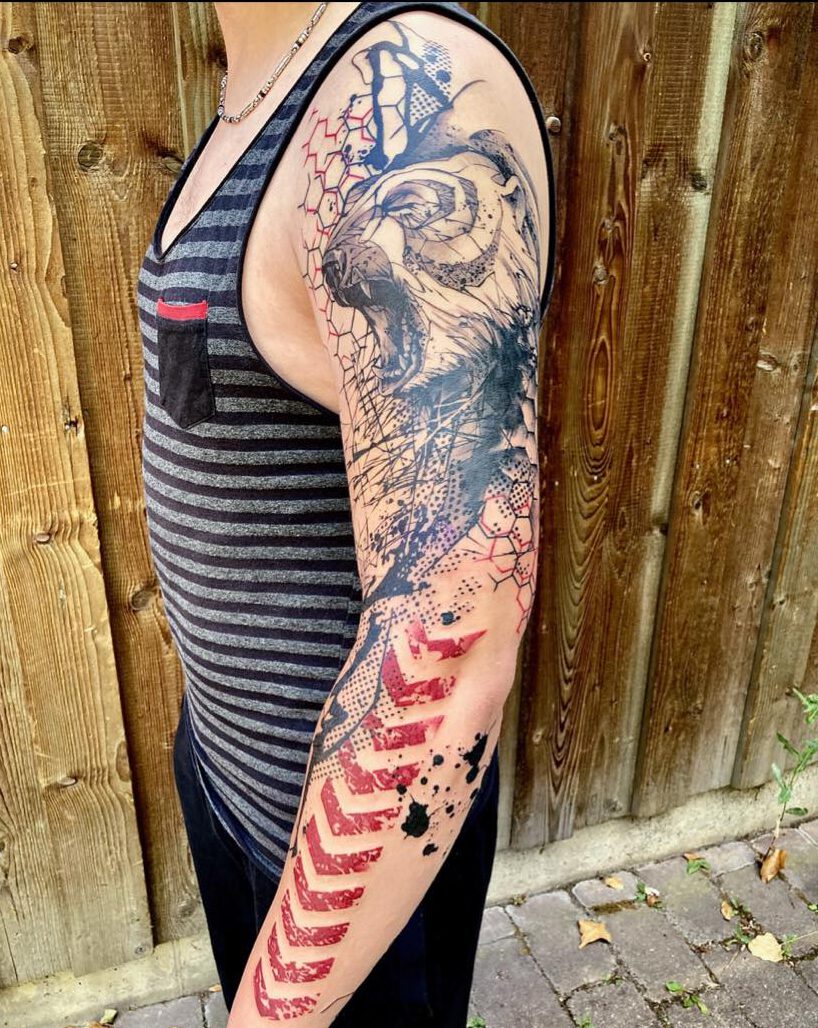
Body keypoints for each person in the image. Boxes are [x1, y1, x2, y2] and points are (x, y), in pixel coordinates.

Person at [136, 2, 556, 1024]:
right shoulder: (257, 95)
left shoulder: (390, 94)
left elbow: (453, 630)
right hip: (229, 767)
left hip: (356, 847)